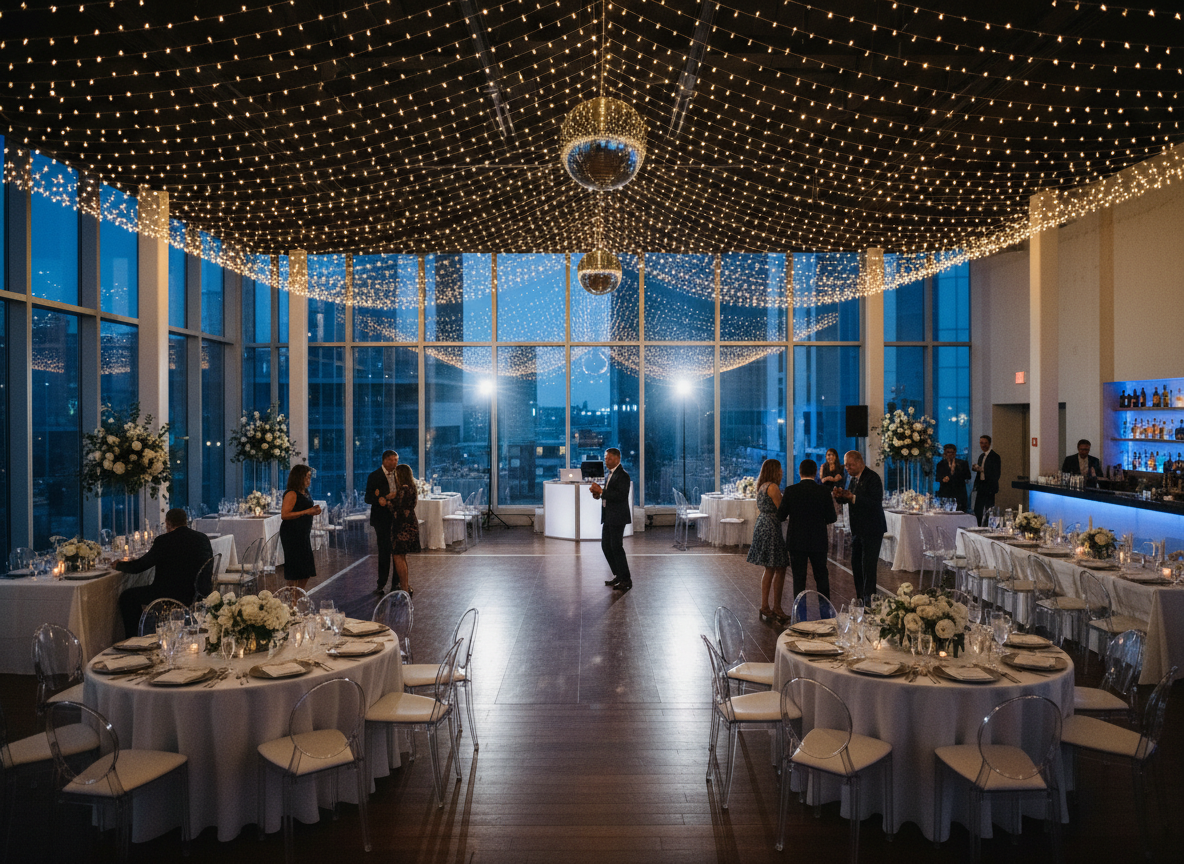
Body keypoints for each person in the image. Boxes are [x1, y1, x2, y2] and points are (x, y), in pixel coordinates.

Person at [116, 508, 213, 638]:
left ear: (167, 523)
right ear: (185, 521)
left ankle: (134, 638)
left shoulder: (163, 541)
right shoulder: (203, 538)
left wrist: (118, 565)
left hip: (168, 595)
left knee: (127, 597)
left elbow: (140, 566)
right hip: (197, 593)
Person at [778, 458, 838, 601]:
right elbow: (831, 518)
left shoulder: (790, 491)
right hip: (818, 540)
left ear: (800, 472)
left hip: (797, 541)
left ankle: (800, 616)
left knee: (799, 580)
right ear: (815, 472)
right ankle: (825, 613)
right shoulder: (823, 491)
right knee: (821, 578)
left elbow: (780, 516)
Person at [832, 451, 887, 605]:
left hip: (872, 528)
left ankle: (870, 600)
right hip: (857, 529)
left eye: (850, 465)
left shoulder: (872, 478)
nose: (847, 468)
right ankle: (861, 598)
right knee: (856, 564)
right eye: (846, 465)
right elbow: (851, 500)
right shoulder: (853, 479)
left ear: (859, 462)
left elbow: (874, 503)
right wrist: (841, 496)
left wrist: (852, 497)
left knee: (868, 566)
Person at [745, 459, 790, 623]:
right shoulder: (773, 487)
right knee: (779, 567)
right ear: (774, 470)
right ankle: (776, 607)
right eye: (780, 469)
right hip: (771, 527)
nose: (782, 471)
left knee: (770, 567)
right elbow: (782, 510)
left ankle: (765, 605)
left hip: (762, 524)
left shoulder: (762, 486)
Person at [591, 447, 632, 591]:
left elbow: (620, 496)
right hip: (608, 516)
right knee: (606, 546)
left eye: (608, 458)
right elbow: (608, 494)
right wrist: (598, 495)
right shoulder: (610, 475)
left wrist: (601, 491)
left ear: (617, 458)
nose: (606, 461)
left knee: (616, 547)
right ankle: (619, 575)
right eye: (605, 458)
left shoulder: (623, 476)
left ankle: (626, 579)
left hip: (617, 516)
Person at [279, 464, 321, 591]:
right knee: (295, 569)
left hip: (303, 533)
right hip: (292, 534)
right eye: (307, 477)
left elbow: (306, 508)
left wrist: (314, 510)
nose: (309, 480)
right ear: (299, 477)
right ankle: (291, 601)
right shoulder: (292, 493)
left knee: (306, 569)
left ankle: (296, 597)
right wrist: (307, 511)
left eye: (310, 477)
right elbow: (284, 515)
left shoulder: (305, 492)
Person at [364, 450, 399, 595]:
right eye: (392, 460)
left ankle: (396, 584)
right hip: (381, 519)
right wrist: (380, 499)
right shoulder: (374, 476)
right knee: (384, 551)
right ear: (384, 460)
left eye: (396, 460)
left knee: (398, 551)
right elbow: (367, 497)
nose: (394, 463)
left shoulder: (399, 474)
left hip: (397, 518)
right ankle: (381, 584)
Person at [389, 463, 421, 595]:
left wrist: (388, 502)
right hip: (410, 524)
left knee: (398, 556)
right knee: (402, 556)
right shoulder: (412, 488)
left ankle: (404, 588)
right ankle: (405, 585)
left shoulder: (403, 490)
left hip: (402, 526)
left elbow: (399, 508)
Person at [971, 434, 1001, 526]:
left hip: (989, 486)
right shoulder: (981, 456)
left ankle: (989, 526)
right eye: (981, 443)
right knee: (978, 509)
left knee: (989, 509)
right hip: (981, 485)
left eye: (985, 443)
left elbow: (996, 473)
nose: (983, 445)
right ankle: (978, 525)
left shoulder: (995, 456)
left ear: (989, 444)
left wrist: (982, 469)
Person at [934, 443, 971, 512]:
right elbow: (937, 478)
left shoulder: (962, 463)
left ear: (955, 453)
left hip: (959, 492)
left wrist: (955, 473)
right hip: (946, 492)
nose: (950, 454)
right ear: (945, 452)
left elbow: (968, 476)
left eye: (952, 452)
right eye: (948, 452)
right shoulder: (940, 464)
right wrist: (943, 479)